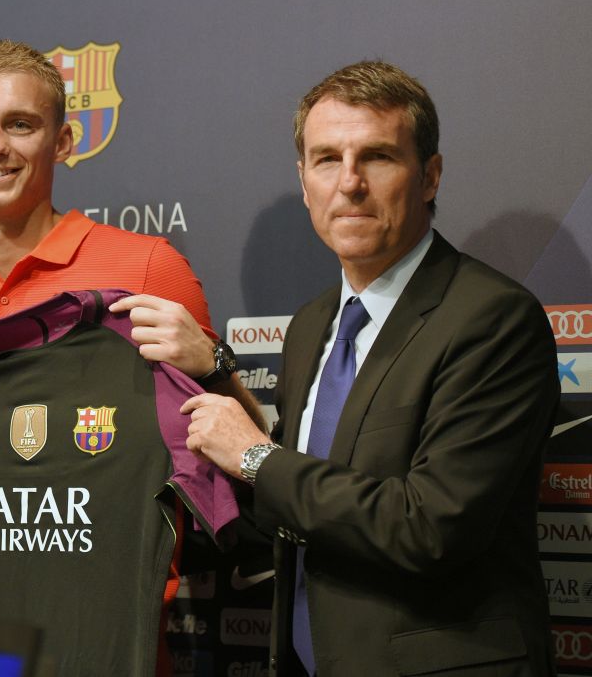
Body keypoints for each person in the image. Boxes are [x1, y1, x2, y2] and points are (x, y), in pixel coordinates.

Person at [178, 61, 559, 676]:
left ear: (430, 175)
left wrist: (254, 458)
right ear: (304, 182)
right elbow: (297, 505)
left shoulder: (493, 319)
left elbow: (430, 526)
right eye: (326, 159)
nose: (349, 183)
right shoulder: (311, 325)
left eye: (377, 157)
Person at [0, 39, 263, 675]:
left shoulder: (149, 266)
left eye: (20, 124)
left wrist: (214, 364)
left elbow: (242, 449)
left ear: (66, 141)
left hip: (104, 621)